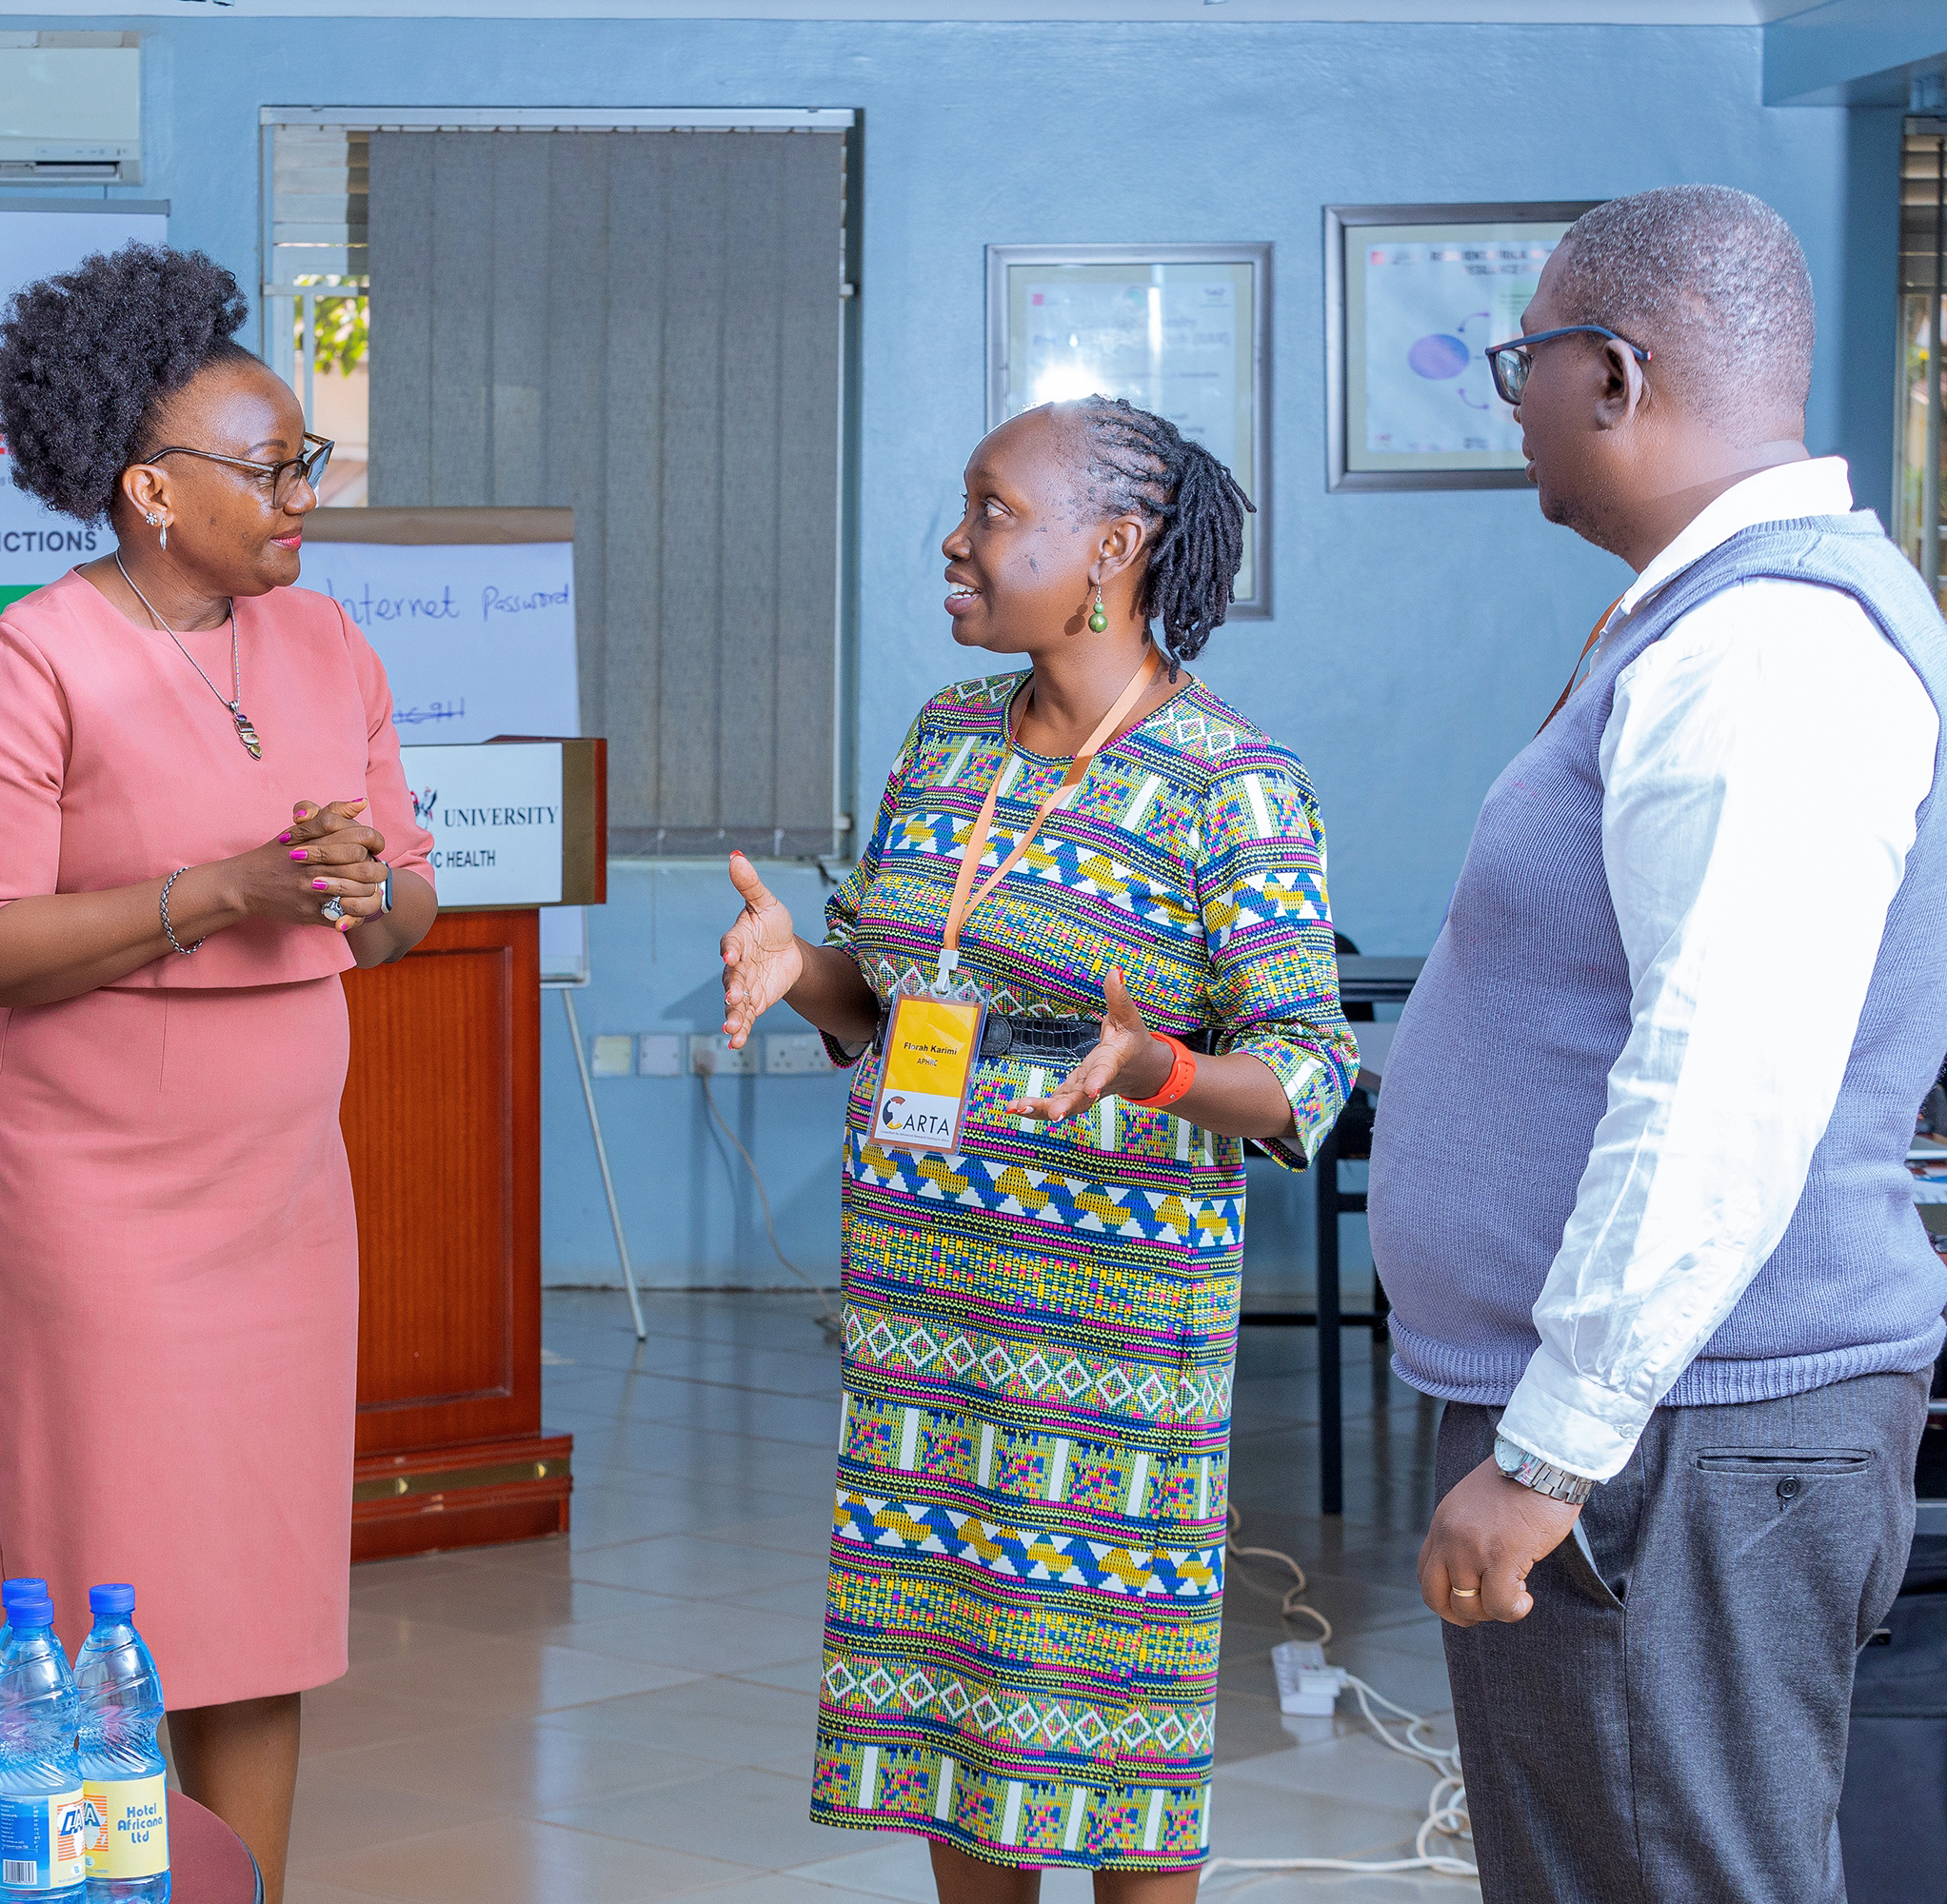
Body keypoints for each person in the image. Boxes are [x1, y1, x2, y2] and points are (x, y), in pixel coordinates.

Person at [1367, 183, 1947, 1902]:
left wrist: (1548, 1454)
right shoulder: (1700, 620)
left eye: (1521, 363)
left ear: (1614, 373)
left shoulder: (1770, 644)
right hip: (1655, 1428)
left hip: (1680, 1434)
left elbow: (1723, 1081)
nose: (1513, 399)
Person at [722, 398, 1356, 1901]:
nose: (956, 539)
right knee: (952, 1702)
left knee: (1110, 1728)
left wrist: (1166, 1070)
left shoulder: (1229, 783)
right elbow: (895, 999)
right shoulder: (946, 737)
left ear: (1113, 551)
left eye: (994, 510)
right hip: (928, 1319)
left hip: (1109, 1344)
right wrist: (795, 961)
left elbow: (1313, 1072)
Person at [0, 242, 436, 1899]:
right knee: (105, 1588)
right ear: (147, 490)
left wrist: (367, 892)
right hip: (90, 1191)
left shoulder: (326, 642)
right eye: (268, 466)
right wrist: (218, 894)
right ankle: (88, 1880)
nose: (301, 492)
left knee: (258, 1593)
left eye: (307, 460)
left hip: (278, 1190)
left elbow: (409, 908)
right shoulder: (35, 660)